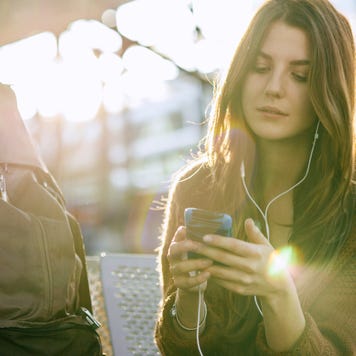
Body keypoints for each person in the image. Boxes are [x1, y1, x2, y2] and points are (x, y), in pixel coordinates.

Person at [154, 0, 356, 355]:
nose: (273, 87)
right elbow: (176, 349)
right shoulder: (196, 187)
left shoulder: (350, 210)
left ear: (329, 90)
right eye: (260, 67)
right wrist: (187, 296)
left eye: (300, 75)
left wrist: (279, 294)